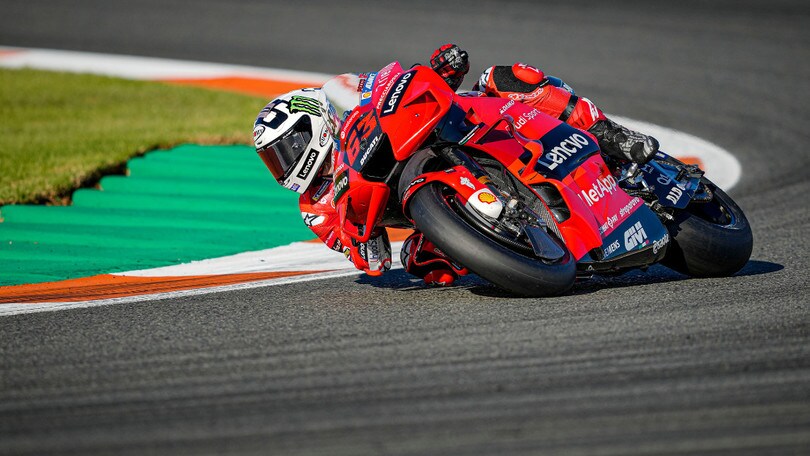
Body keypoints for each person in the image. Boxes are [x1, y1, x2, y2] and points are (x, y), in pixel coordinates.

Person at [253, 44, 660, 287]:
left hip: (468, 125)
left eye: (287, 149)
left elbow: (390, 86)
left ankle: (611, 134)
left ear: (316, 125)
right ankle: (521, 245)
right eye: (274, 160)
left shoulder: (344, 94)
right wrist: (359, 235)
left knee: (506, 77)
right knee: (421, 261)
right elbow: (372, 261)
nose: (284, 166)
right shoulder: (314, 207)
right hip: (432, 200)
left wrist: (444, 70)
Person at [429, 43, 660, 164]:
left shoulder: (473, 94)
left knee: (504, 78)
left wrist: (450, 79)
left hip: (527, 136)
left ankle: (615, 137)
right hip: (476, 161)